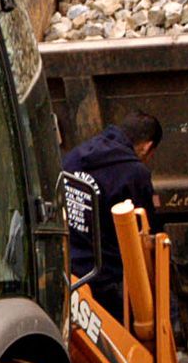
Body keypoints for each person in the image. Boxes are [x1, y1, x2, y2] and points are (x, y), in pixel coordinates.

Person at [61, 110, 162, 320]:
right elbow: (145, 233)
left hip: (68, 267)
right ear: (146, 146)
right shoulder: (134, 174)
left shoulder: (74, 157)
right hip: (105, 280)